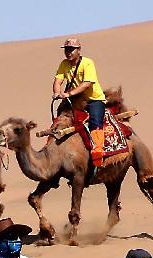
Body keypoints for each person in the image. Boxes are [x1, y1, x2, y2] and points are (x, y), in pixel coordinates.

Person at [52, 38, 107, 167]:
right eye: (67, 49)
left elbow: (87, 84)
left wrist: (68, 94)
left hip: (93, 99)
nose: (69, 52)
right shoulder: (64, 64)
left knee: (95, 122)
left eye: (72, 49)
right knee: (60, 115)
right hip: (75, 100)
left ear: (79, 50)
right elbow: (58, 81)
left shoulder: (88, 63)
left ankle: (98, 153)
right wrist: (56, 92)